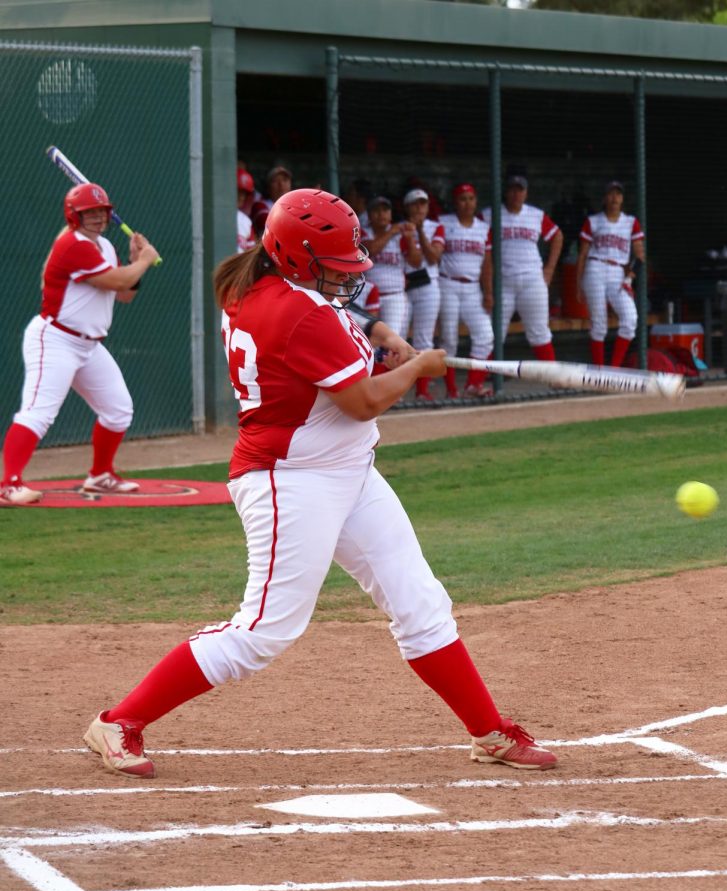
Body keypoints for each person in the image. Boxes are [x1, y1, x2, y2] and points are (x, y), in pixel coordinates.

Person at [82, 187, 557, 779]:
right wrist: (416, 368)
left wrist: (381, 334)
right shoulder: (300, 313)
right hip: (290, 482)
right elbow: (362, 401)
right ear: (298, 258)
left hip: (348, 471)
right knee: (264, 631)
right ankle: (119, 721)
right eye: (334, 266)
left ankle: (490, 733)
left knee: (419, 603)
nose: (345, 277)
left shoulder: (263, 284)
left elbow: (336, 323)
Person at [0, 183, 160, 506]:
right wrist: (144, 260)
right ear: (74, 216)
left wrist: (134, 262)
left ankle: (100, 474)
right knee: (38, 414)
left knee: (118, 410)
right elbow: (117, 280)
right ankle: (8, 484)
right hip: (55, 339)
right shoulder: (72, 245)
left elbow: (124, 294)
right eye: (90, 213)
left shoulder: (104, 248)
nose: (98, 218)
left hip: (88, 346)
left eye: (102, 211)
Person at [482, 174, 563, 362]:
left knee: (539, 331)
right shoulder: (489, 215)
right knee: (494, 332)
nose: (516, 194)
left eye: (520, 190)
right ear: (506, 192)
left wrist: (549, 269)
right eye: (512, 189)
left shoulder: (535, 215)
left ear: (526, 193)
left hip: (532, 280)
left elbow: (557, 236)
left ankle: (551, 374)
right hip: (503, 282)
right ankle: (484, 378)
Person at [576, 181, 645, 367]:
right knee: (599, 324)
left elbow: (640, 255)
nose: (614, 197)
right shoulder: (593, 221)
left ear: (622, 199)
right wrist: (578, 284)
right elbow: (582, 254)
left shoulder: (631, 222)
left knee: (630, 320)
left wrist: (630, 278)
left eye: (618, 194)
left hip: (618, 271)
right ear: (604, 198)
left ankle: (613, 369)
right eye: (611, 194)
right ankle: (600, 372)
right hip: (595, 267)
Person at [438, 183, 495, 399]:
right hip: (448, 284)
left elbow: (487, 264)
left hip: (472, 288)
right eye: (463, 198)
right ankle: (451, 389)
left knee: (485, 336)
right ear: (455, 202)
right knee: (449, 340)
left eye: (471, 198)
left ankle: (473, 385)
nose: (467, 203)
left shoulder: (483, 228)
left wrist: (488, 292)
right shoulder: (444, 223)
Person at [402, 187, 445, 401]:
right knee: (398, 336)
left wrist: (419, 232)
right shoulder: (399, 228)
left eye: (423, 203)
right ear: (408, 207)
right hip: (404, 287)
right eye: (415, 204)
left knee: (423, 340)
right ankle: (397, 392)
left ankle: (422, 391)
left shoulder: (435, 227)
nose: (419, 208)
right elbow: (413, 260)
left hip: (428, 287)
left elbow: (433, 257)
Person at [361, 196, 422, 338]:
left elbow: (416, 262)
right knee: (367, 338)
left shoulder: (401, 235)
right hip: (368, 296)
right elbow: (371, 250)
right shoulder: (364, 232)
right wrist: (392, 232)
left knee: (391, 339)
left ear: (390, 213)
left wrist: (410, 240)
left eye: (385, 210)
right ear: (369, 215)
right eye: (376, 210)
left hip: (394, 296)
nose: (381, 214)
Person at [250, 164, 293, 237]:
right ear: (268, 186)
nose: (281, 184)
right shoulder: (260, 206)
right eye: (275, 181)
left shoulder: (295, 205)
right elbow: (274, 227)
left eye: (285, 180)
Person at [236, 169, 256, 253]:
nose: (241, 197)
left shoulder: (245, 221)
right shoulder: (215, 217)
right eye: (238, 192)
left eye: (243, 193)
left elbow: (250, 255)